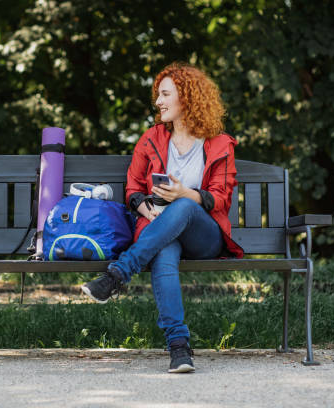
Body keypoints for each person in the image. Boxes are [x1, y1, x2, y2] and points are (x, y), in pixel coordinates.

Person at [81, 62, 244, 373]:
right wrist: (145, 207)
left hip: (203, 234)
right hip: (159, 227)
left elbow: (221, 197)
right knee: (163, 252)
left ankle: (117, 275)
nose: (158, 102)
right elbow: (132, 188)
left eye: (165, 94)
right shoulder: (152, 137)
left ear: (187, 97)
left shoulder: (220, 143)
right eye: (159, 95)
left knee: (182, 207)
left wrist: (186, 194)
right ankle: (179, 347)